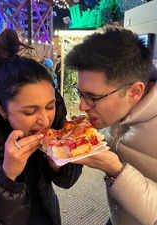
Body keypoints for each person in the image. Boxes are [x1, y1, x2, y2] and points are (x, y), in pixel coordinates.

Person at [0, 28, 82, 225]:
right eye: (30, 111)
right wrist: (7, 174)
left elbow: (67, 181)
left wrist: (59, 162)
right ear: (1, 109)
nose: (45, 120)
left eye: (50, 106)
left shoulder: (56, 122)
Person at [65, 26, 157, 225]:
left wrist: (116, 170)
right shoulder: (114, 104)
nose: (82, 106)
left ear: (135, 92)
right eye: (81, 93)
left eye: (93, 97)